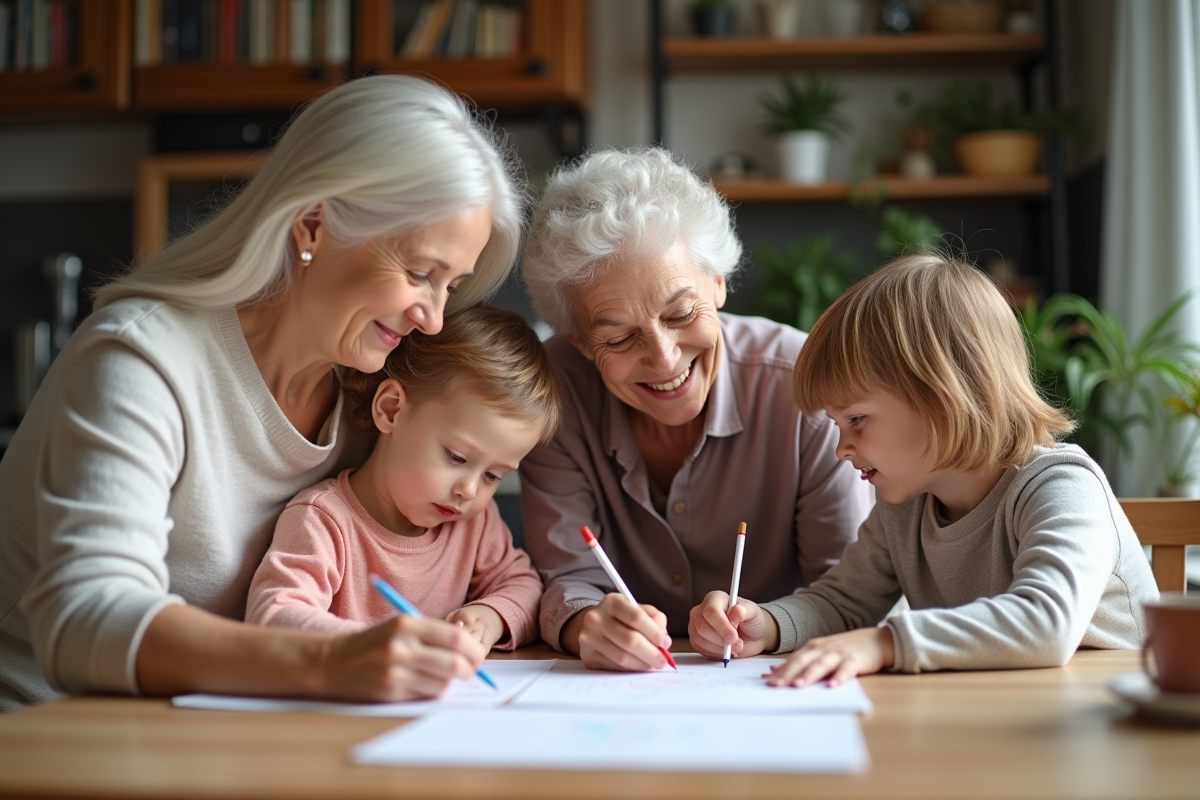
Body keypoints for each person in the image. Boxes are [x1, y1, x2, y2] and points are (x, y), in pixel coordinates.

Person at [0, 75, 529, 710]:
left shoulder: (374, 387)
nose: (434, 318)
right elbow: (85, 622)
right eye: (420, 273)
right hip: (53, 733)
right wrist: (334, 658)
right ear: (312, 225)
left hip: (226, 728)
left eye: (451, 285)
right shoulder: (142, 359)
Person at [690, 252, 1159, 686]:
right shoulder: (906, 504)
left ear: (943, 399)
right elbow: (844, 603)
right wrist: (765, 625)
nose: (841, 449)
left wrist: (886, 641)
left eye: (855, 419)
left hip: (1101, 735)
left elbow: (1046, 621)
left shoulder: (1060, 486)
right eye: (836, 425)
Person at [519, 147, 873, 672]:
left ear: (719, 282)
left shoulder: (805, 384)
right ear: (577, 340)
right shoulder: (553, 395)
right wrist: (585, 622)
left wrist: (770, 621)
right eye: (618, 337)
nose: (663, 359)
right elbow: (567, 580)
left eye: (681, 313)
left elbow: (849, 592)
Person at [245, 306, 558, 652]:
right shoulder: (323, 521)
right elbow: (273, 615)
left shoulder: (474, 526)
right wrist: (368, 646)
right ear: (391, 409)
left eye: (492, 475)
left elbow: (525, 585)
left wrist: (491, 616)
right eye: (456, 457)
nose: (468, 490)